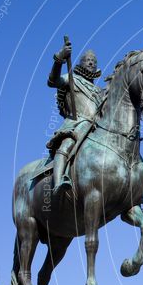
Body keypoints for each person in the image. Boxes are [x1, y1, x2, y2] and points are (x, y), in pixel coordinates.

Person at [45, 39, 104, 202]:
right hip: (77, 125)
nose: (91, 63)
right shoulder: (72, 78)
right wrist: (59, 59)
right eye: (88, 60)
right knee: (67, 144)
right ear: (81, 63)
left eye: (94, 61)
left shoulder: (99, 91)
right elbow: (52, 81)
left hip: (97, 129)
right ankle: (58, 183)